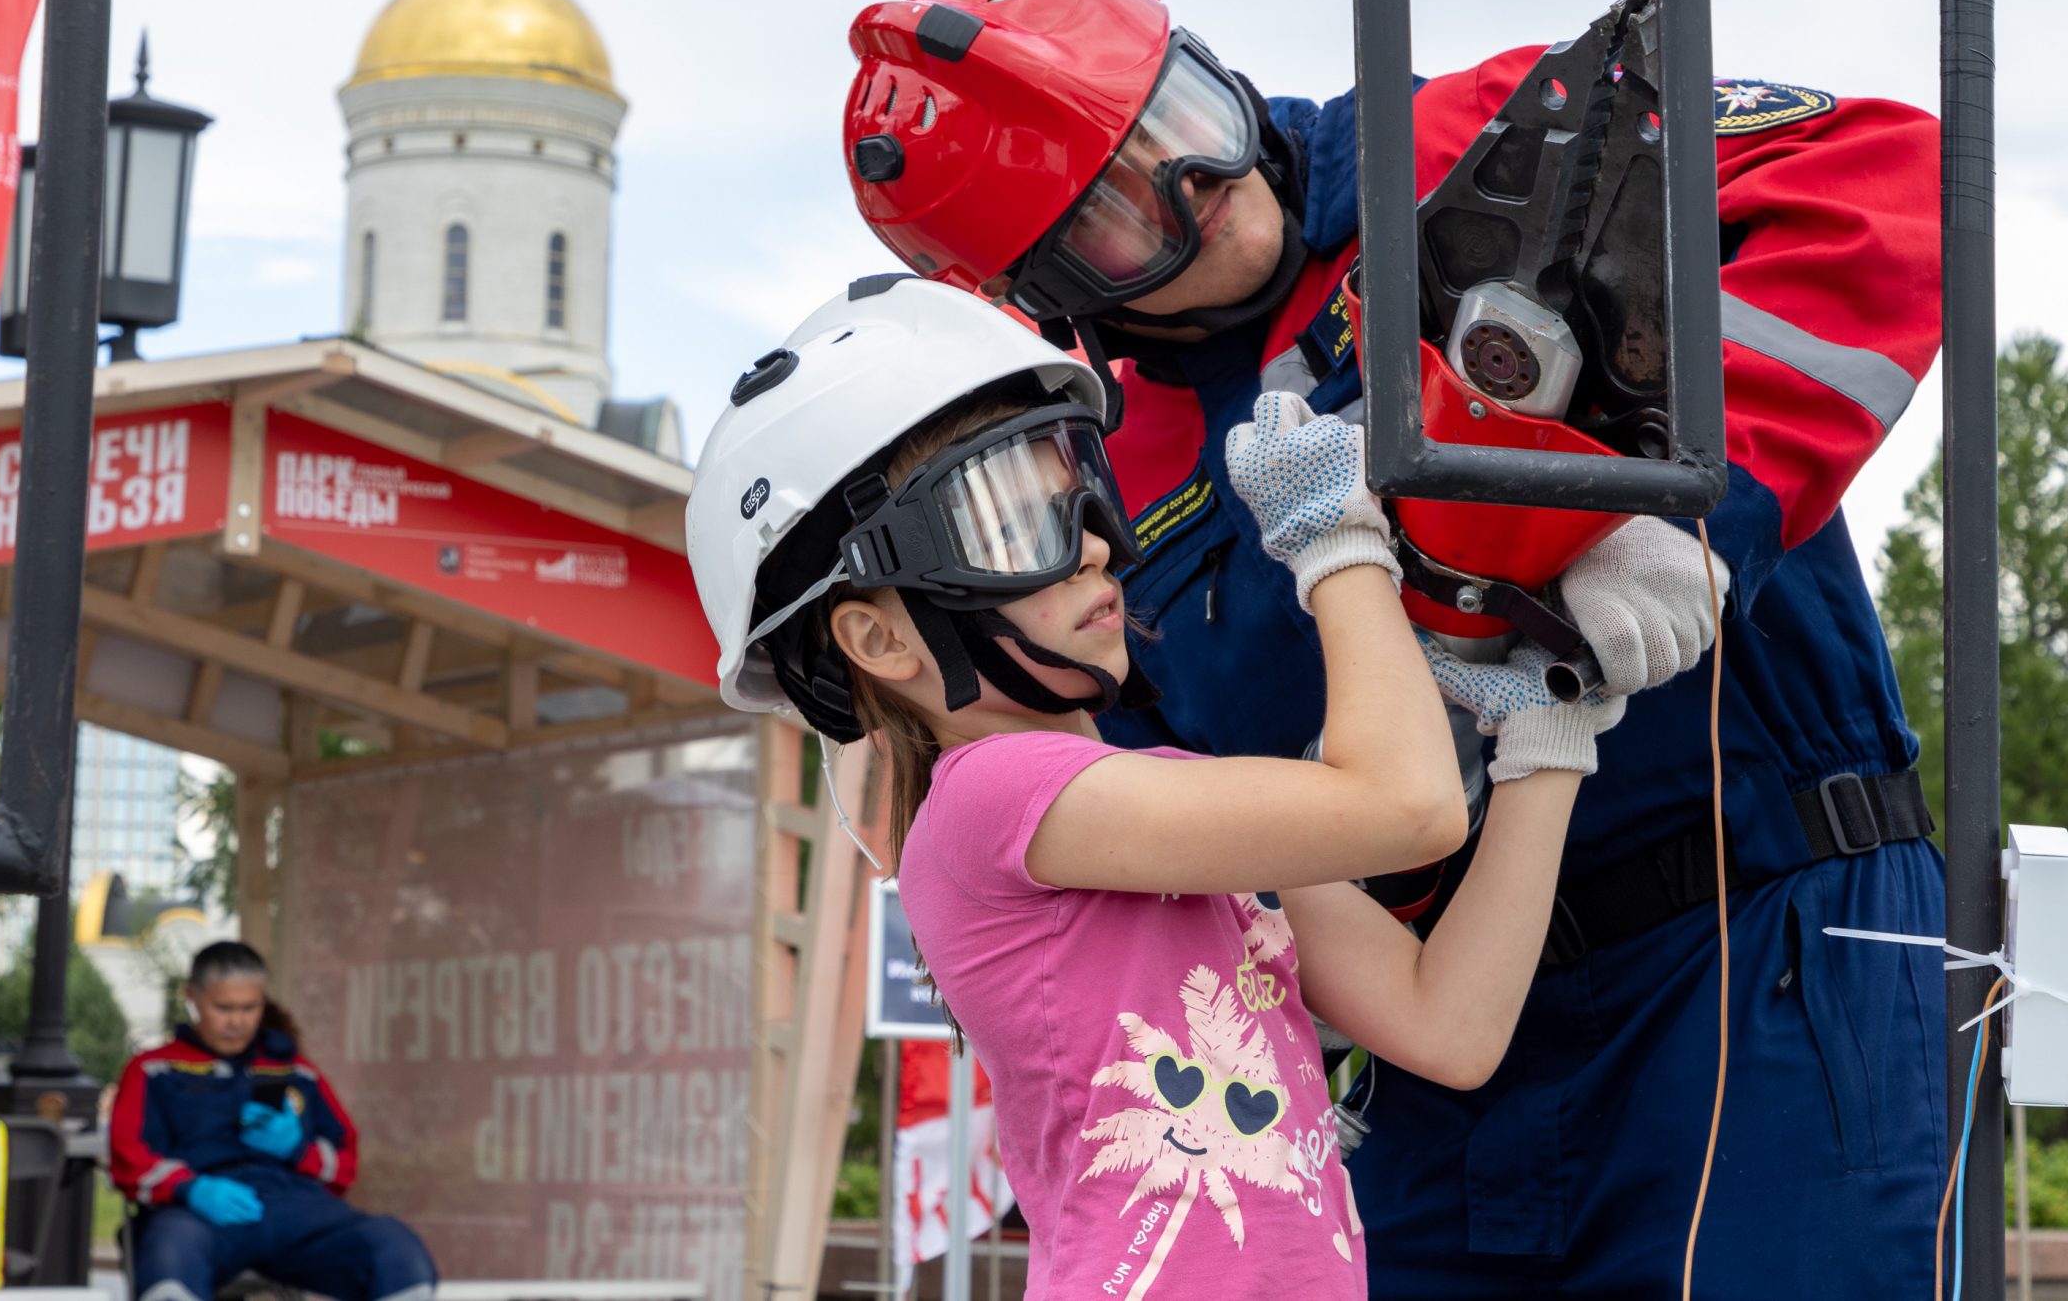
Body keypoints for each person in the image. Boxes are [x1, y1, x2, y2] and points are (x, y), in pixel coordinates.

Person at [838, 0, 1947, 1297]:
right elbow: (1171, 801)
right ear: (1052, 292)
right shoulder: (1106, 482)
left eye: (1181, 123)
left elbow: (1885, 178)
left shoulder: (1473, 140)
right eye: (1119, 213)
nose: (1198, 190)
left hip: (1756, 948)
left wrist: (1702, 513)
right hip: (1449, 1032)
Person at [689, 276, 1645, 1299]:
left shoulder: (1168, 814)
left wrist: (1550, 730)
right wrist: (1333, 539)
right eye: (1009, 524)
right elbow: (1408, 806)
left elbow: (1448, 1026)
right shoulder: (989, 796)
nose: (1095, 544)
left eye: (1077, 486)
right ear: (878, 639)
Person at [109, 941, 436, 1301]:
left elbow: (345, 1161)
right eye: (224, 1008)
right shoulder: (154, 1070)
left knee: (394, 1247)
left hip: (297, 1210)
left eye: (250, 1007)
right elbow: (127, 1155)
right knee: (169, 1257)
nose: (237, 1021)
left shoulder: (296, 1071)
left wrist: (299, 1150)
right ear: (192, 998)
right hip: (199, 1213)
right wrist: (189, 1188)